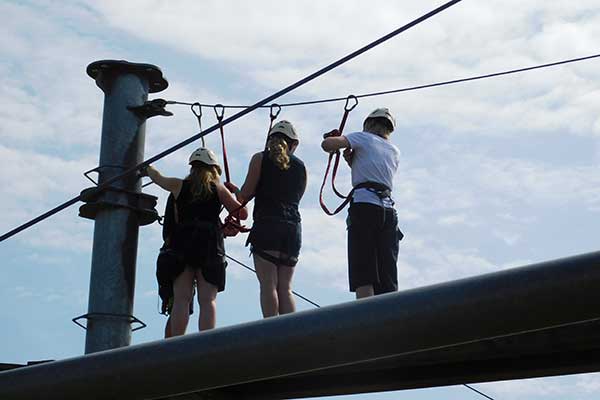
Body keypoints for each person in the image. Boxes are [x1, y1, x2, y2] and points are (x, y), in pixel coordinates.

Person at [144, 147, 247, 334]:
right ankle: (206, 341)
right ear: (213, 170)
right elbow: (242, 213)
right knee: (208, 300)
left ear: (192, 168)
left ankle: (177, 343)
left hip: (182, 244)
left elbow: (159, 179)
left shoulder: (178, 185)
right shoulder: (218, 189)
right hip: (209, 245)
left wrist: (148, 168)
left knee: (182, 299)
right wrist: (237, 193)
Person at [227, 120, 307, 318]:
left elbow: (244, 196)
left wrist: (233, 190)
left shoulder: (260, 159)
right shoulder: (301, 167)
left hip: (267, 225)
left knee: (268, 284)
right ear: (293, 144)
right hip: (292, 229)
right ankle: (291, 332)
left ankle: (272, 331)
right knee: (285, 288)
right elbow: (297, 197)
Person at [321, 108, 402, 299]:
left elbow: (327, 145)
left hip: (365, 207)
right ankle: (390, 321)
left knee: (363, 272)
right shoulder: (394, 151)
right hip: (388, 211)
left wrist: (334, 139)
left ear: (368, 124)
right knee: (387, 275)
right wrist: (353, 163)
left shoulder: (363, 138)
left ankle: (366, 321)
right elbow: (374, 172)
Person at [155, 193, 193, 338]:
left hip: (170, 257)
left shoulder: (178, 191)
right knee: (180, 303)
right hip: (177, 258)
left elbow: (168, 232)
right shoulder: (209, 194)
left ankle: (171, 347)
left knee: (178, 305)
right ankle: (173, 348)